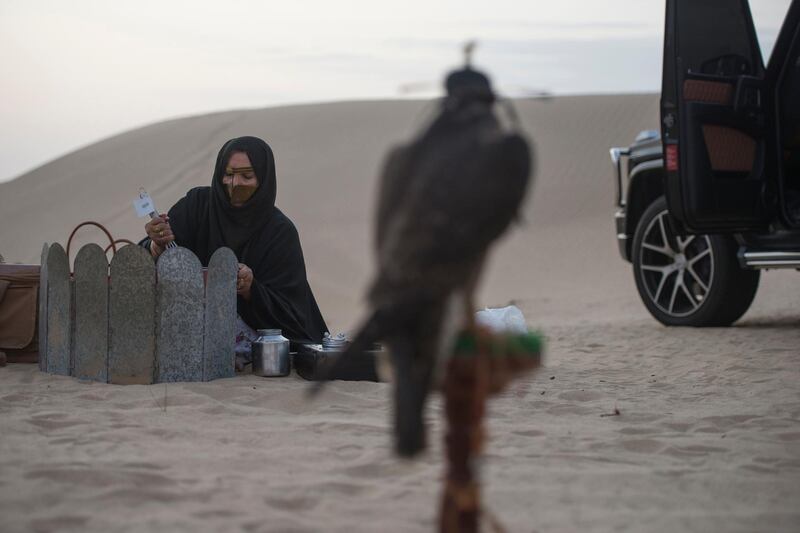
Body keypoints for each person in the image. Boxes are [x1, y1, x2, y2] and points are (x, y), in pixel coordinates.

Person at [139, 136, 328, 348]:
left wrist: (250, 289)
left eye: (247, 176)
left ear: (263, 180)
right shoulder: (197, 205)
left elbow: (292, 314)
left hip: (253, 346)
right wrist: (156, 245)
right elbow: (150, 259)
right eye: (228, 175)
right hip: (183, 333)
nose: (235, 184)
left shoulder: (280, 232)